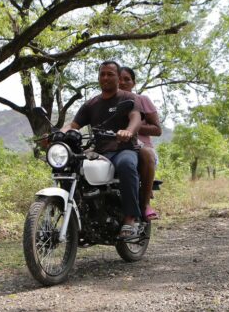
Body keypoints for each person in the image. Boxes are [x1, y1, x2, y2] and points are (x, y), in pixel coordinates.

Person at [61, 61, 143, 237]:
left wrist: (128, 131)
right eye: (102, 74)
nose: (105, 77)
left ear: (118, 78)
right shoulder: (92, 104)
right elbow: (73, 124)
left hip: (123, 149)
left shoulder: (128, 98)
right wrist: (58, 134)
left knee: (127, 165)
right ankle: (77, 216)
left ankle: (131, 217)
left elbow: (135, 118)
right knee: (69, 167)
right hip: (99, 153)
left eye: (110, 74)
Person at [118, 66, 162, 221]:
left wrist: (132, 127)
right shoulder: (105, 103)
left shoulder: (143, 100)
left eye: (126, 79)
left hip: (141, 147)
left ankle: (145, 205)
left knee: (146, 153)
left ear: (133, 83)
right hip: (116, 148)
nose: (122, 83)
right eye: (118, 79)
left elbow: (157, 129)